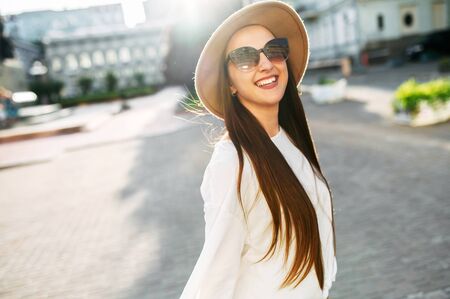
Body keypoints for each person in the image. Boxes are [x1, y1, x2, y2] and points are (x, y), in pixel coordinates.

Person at [180, 1, 337, 298]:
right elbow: (215, 277)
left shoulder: (288, 138)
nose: (266, 63)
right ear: (230, 85)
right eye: (244, 58)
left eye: (274, 50)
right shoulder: (233, 163)